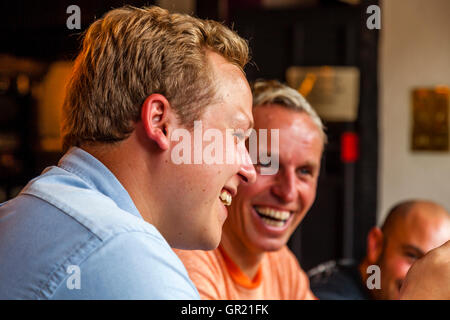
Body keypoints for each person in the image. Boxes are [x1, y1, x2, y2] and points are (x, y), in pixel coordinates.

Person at [0, 6, 256, 299]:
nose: (249, 170)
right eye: (236, 135)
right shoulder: (126, 255)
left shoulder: (14, 217)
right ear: (161, 122)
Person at [175, 80, 326, 299]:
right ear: (233, 161)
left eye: (304, 172)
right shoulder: (188, 252)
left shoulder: (281, 264)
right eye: (266, 163)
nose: (288, 193)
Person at [309, 200, 450, 300]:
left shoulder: (372, 282)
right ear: (376, 244)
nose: (422, 275)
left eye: (435, 266)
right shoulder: (328, 293)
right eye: (412, 255)